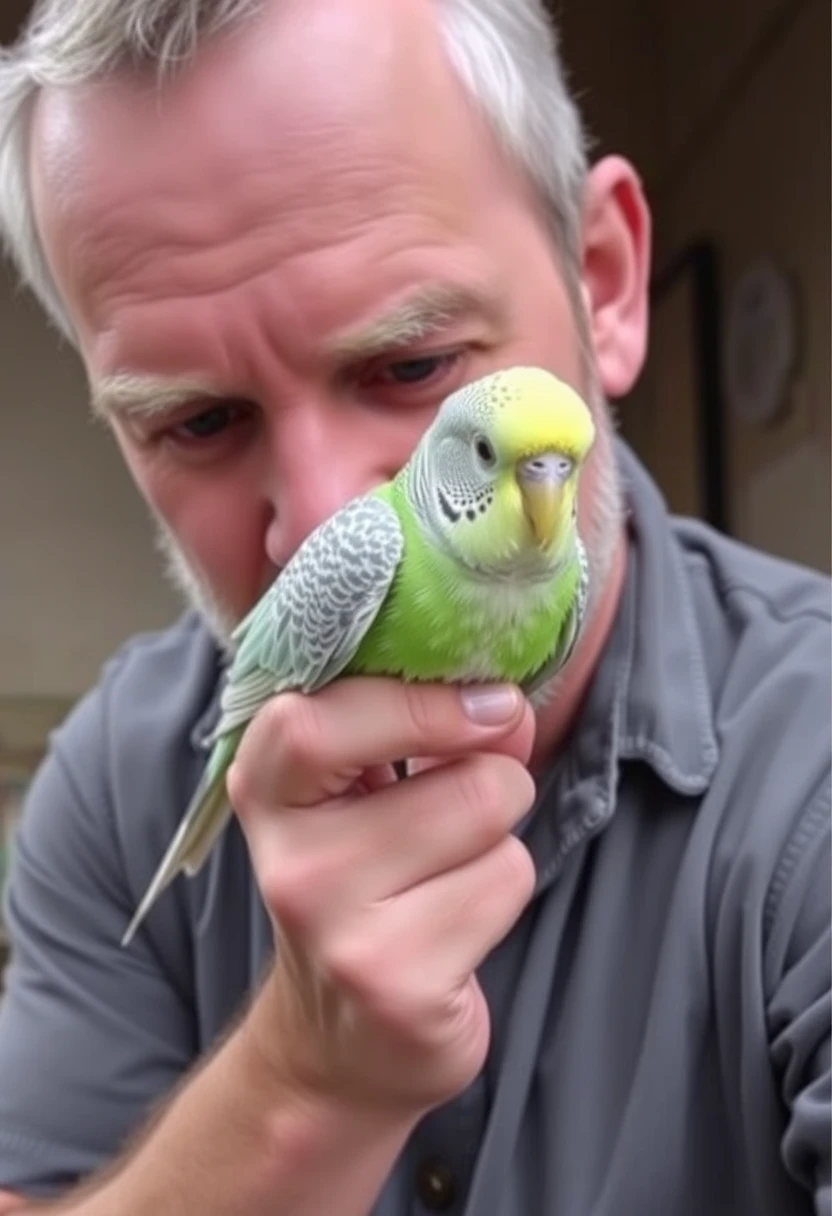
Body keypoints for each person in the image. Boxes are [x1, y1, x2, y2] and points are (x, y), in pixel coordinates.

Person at [0, 0, 828, 1212]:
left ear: (602, 285)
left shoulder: (807, 780)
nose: (328, 514)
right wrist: (298, 1081)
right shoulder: (119, 784)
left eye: (411, 366)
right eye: (200, 420)